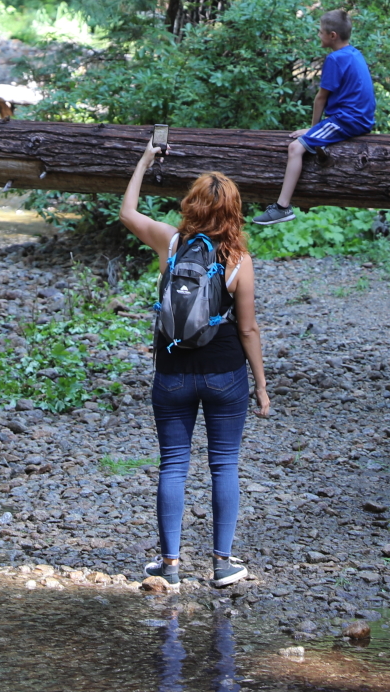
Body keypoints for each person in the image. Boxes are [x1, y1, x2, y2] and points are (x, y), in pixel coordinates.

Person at [120, 146, 272, 590]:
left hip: (171, 374)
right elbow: (247, 330)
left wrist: (146, 161)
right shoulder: (239, 261)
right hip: (225, 375)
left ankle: (169, 567)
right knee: (224, 465)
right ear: (233, 212)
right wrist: (261, 385)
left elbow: (127, 210)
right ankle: (222, 565)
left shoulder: (170, 242)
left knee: (173, 465)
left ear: (190, 206)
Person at [253, 9, 374, 226]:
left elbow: (321, 98)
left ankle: (282, 207)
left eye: (320, 33)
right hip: (357, 117)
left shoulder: (335, 59)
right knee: (301, 145)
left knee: (295, 148)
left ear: (332, 35)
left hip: (349, 119)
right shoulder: (355, 53)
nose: (318, 36)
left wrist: (312, 129)